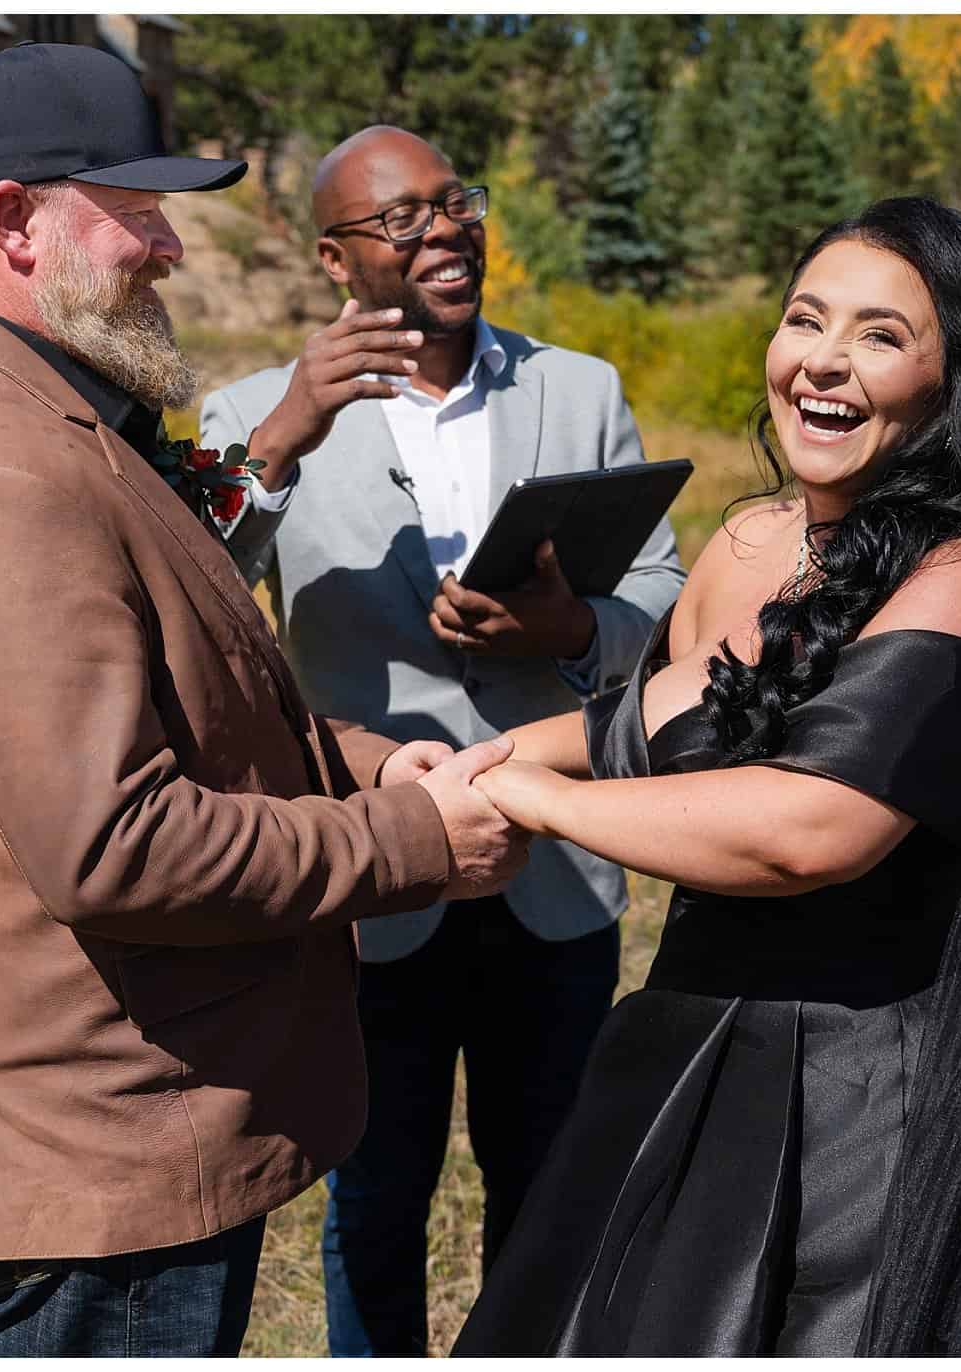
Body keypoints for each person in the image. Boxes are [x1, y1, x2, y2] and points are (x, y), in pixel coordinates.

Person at [0, 46, 529, 1359]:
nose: (170, 246)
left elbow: (195, 712)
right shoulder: (4, 480)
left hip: (146, 1131)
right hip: (112, 1166)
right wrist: (416, 845)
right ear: (14, 223)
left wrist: (375, 767)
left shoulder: (66, 426)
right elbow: (117, 842)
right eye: (138, 206)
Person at [447, 197, 961, 1356]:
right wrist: (479, 762)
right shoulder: (748, 543)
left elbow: (809, 827)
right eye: (804, 319)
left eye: (881, 336)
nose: (823, 362)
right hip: (690, 1048)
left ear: (953, 382)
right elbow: (645, 724)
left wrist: (543, 806)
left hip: (874, 1098)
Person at [198, 125, 687, 1356]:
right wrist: (283, 437)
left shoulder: (579, 390)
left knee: (556, 1183)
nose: (445, 231)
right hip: (373, 879)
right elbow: (183, 597)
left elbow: (668, 594)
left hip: (558, 864)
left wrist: (569, 622)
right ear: (333, 257)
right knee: (375, 1196)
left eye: (454, 203)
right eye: (401, 218)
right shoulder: (249, 414)